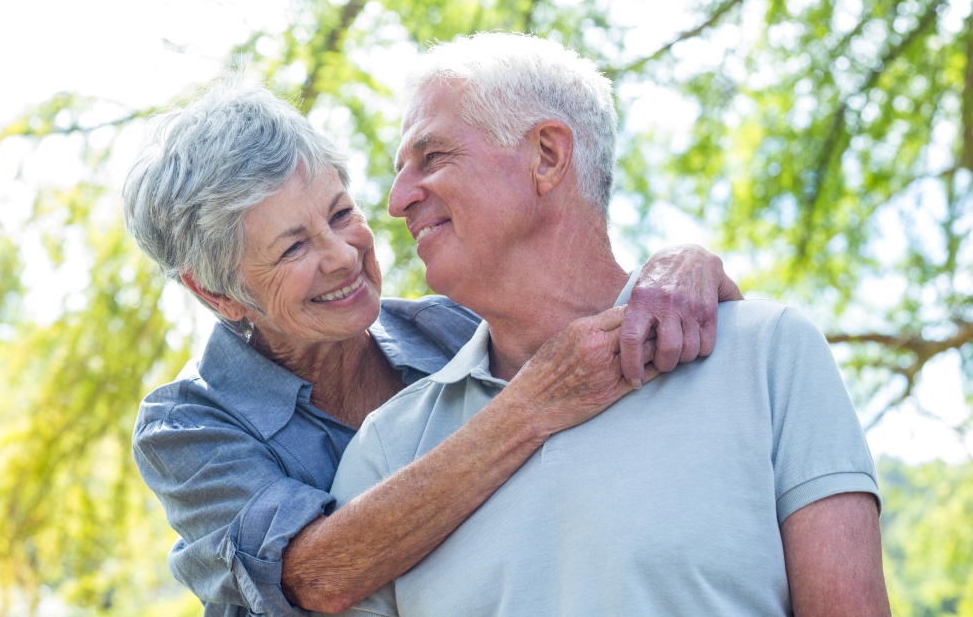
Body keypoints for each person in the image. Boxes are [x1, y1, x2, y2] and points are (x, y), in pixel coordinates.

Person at [121, 80, 743, 617]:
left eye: (340, 214)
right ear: (217, 293)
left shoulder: (450, 329)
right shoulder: (187, 423)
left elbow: (609, 336)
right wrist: (530, 407)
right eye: (293, 248)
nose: (342, 257)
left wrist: (680, 270)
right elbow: (318, 576)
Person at [325, 33, 891, 617]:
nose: (395, 201)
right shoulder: (387, 450)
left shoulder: (768, 356)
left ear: (547, 156)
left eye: (433, 157)